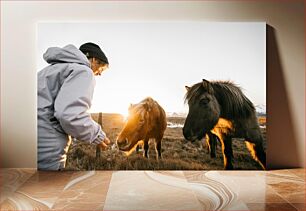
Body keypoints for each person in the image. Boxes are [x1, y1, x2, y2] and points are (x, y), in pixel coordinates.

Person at [37, 42, 110, 170]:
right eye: (101, 69)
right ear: (93, 60)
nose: (99, 74)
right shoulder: (83, 71)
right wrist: (97, 134)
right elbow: (69, 115)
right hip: (45, 150)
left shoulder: (46, 71)